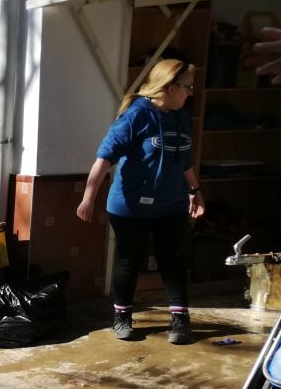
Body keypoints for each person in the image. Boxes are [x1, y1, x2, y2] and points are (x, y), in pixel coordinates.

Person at [76, 59, 205, 344]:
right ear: (170, 87)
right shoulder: (137, 115)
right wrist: (88, 198)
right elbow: (104, 158)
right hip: (130, 205)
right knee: (129, 260)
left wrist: (195, 191)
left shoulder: (181, 116)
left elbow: (183, 158)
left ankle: (180, 319)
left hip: (170, 204)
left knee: (172, 259)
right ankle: (122, 317)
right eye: (187, 87)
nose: (191, 93)